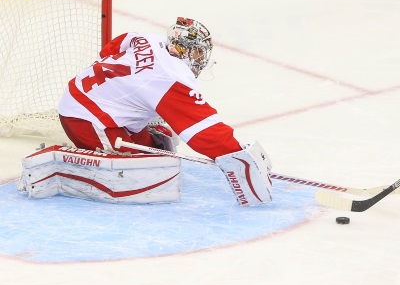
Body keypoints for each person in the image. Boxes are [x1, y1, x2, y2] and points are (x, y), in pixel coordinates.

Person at [55, 17, 272, 206]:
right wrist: (236, 155)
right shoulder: (171, 78)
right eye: (196, 52)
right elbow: (203, 131)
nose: (199, 59)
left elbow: (118, 43)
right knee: (140, 175)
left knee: (162, 144)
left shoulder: (151, 39)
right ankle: (65, 171)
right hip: (86, 118)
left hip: (89, 99)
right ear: (184, 49)